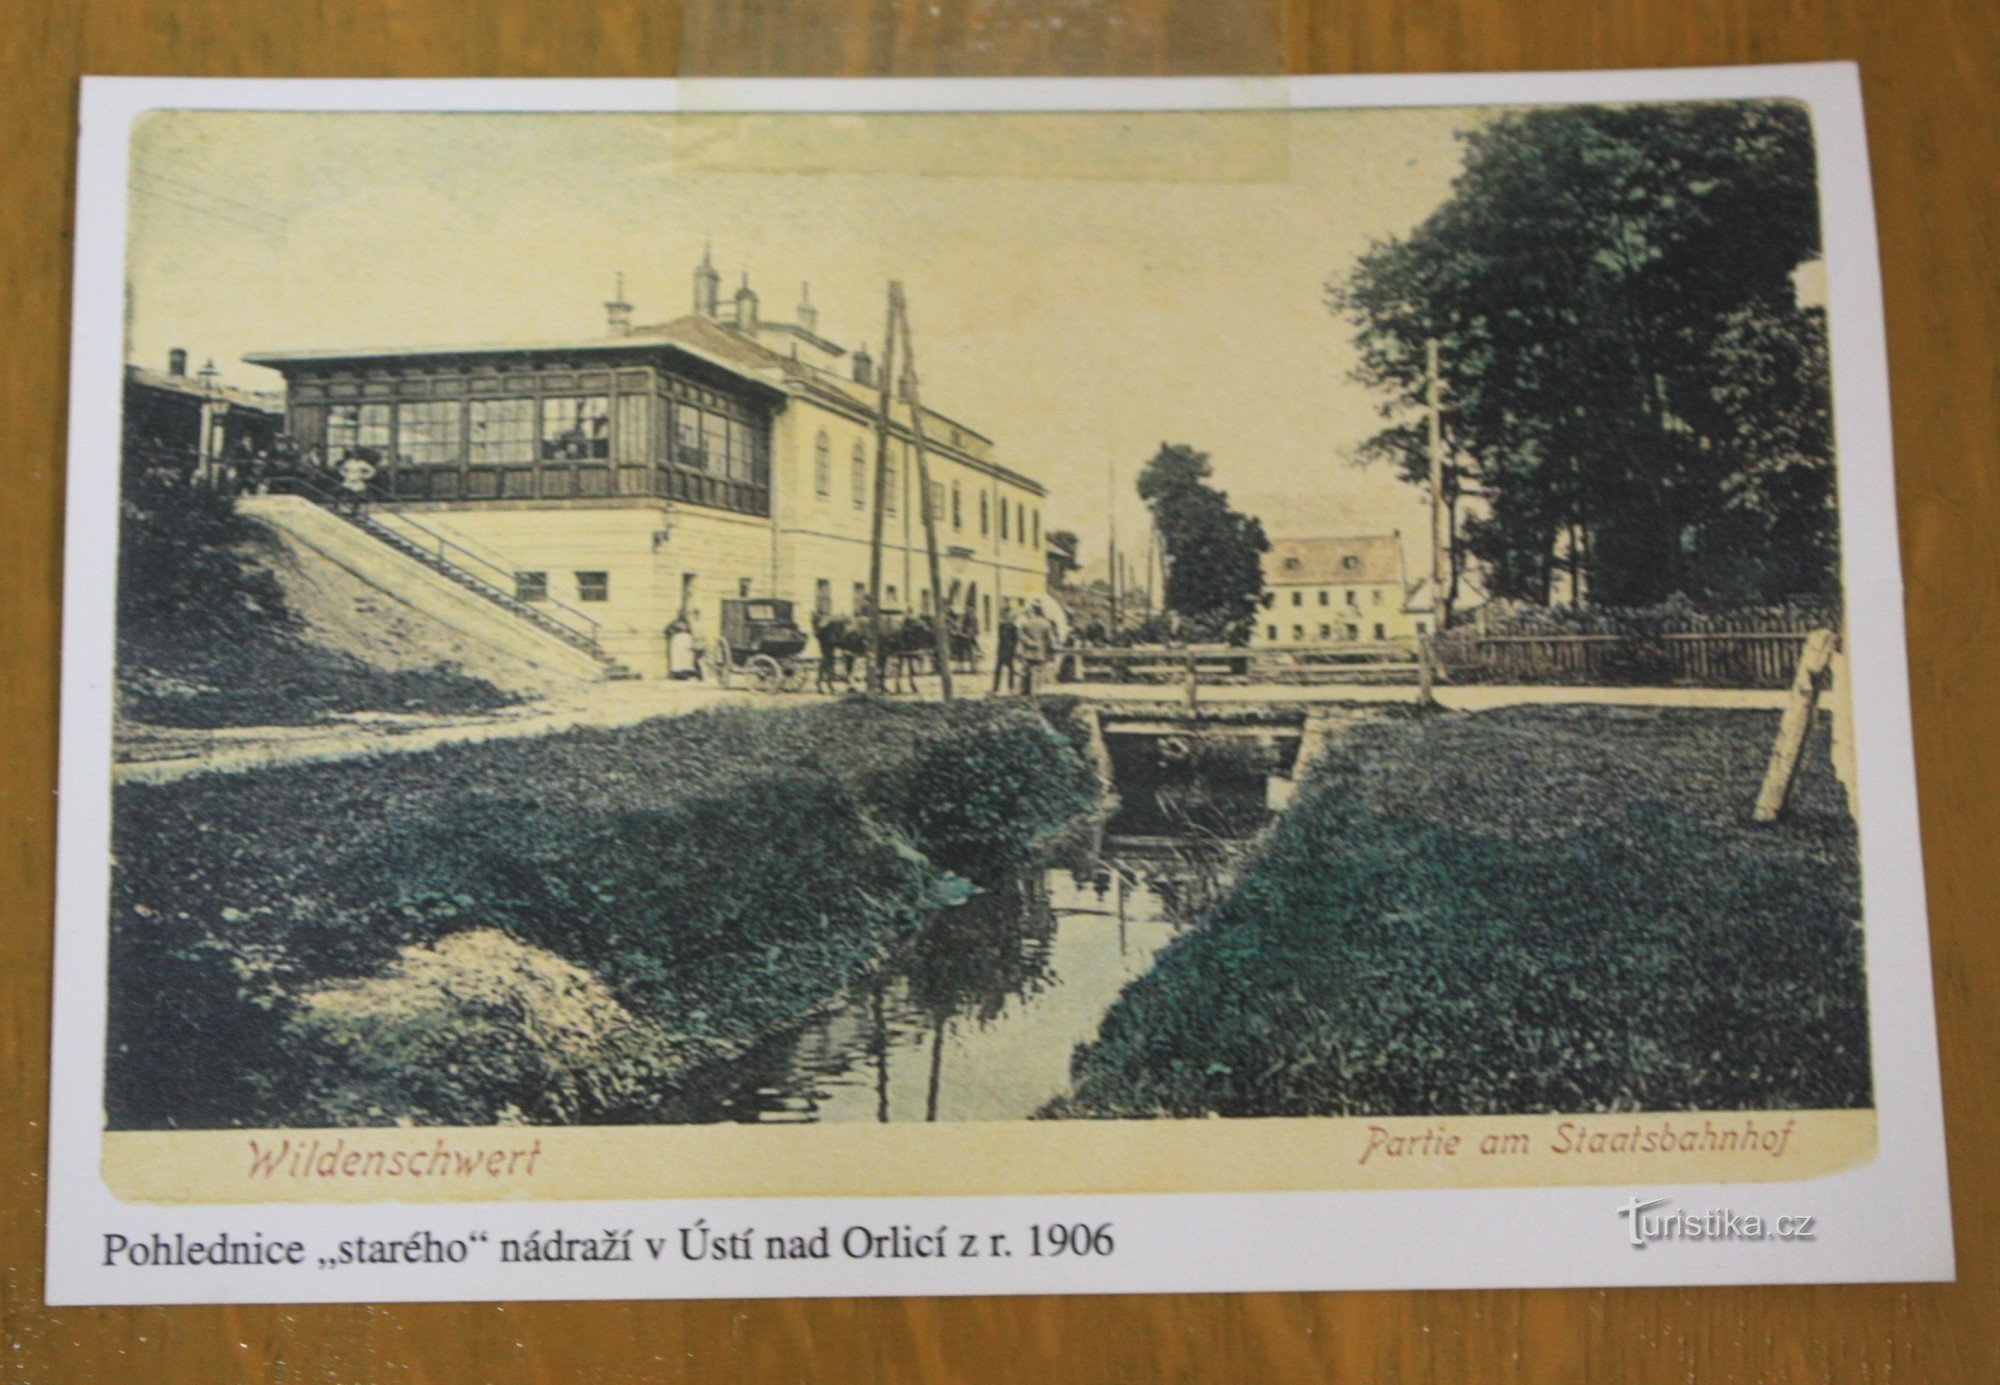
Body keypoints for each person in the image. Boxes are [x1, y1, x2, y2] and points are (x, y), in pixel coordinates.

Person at [1015, 600, 1057, 697]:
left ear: (1033, 611)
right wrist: (1051, 650)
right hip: (1040, 651)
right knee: (1038, 671)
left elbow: (1020, 635)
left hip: (1028, 651)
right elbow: (1050, 639)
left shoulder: (1026, 623)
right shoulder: (1046, 623)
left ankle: (1023, 691)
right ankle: (1036, 691)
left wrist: (1029, 642)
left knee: (1025, 671)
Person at [337, 450, 376, 514]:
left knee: (356, 496)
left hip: (357, 481)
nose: (355, 456)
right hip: (348, 480)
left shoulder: (362, 463)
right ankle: (343, 508)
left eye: (357, 454)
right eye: (354, 454)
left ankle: (355, 510)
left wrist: (365, 476)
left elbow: (372, 470)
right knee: (345, 493)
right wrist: (345, 475)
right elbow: (341, 469)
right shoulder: (348, 462)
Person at [991, 606, 1018, 695]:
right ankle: (996, 688)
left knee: (1010, 669)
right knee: (999, 669)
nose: (1004, 616)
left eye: (1005, 614)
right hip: (1002, 650)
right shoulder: (1001, 626)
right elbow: (1000, 638)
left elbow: (1016, 640)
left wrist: (1013, 649)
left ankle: (1011, 687)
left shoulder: (1013, 627)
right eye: (1003, 614)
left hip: (1009, 650)